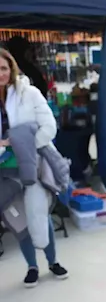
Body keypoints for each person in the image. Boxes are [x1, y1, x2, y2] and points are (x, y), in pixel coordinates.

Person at [0, 49, 68, 287]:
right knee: (18, 221)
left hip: (33, 167)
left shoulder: (29, 94)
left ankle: (53, 261)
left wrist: (24, 146)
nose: (1, 74)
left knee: (39, 215)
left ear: (12, 69)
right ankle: (32, 266)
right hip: (5, 173)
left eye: (4, 68)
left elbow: (49, 127)